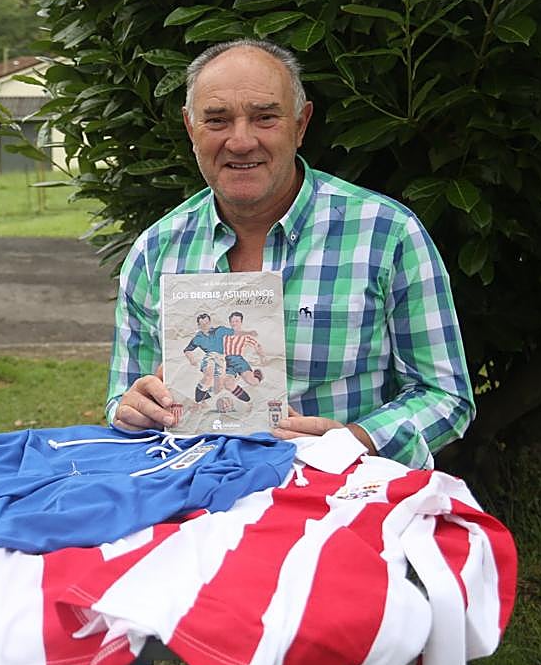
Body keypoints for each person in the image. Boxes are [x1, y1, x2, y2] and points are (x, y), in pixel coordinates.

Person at [106, 38, 473, 469]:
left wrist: (356, 441)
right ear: (191, 128)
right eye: (217, 120)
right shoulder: (154, 252)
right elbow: (124, 401)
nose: (241, 141)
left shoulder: (385, 234)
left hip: (342, 493)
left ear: (300, 125)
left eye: (265, 117)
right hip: (197, 492)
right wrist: (132, 410)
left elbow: (445, 395)